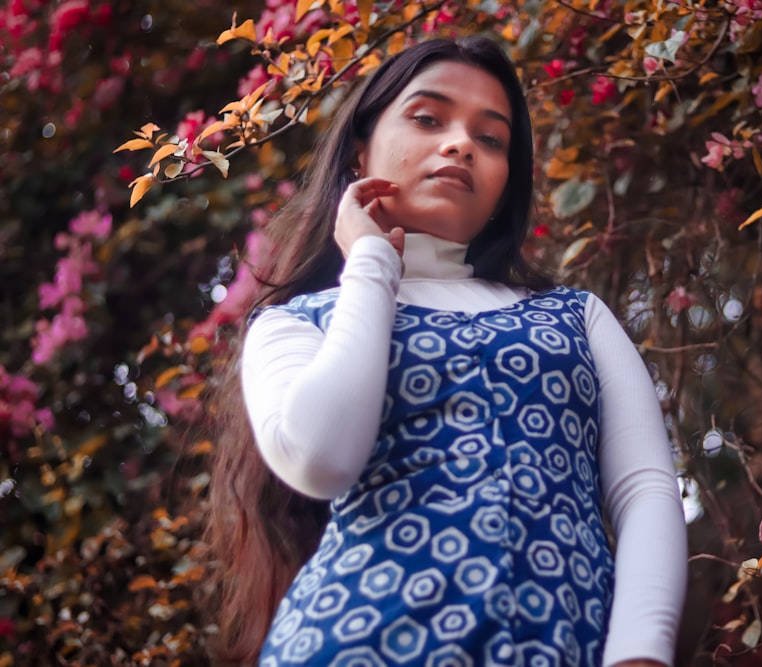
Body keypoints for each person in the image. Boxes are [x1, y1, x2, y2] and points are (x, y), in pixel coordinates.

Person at [206, 37, 686, 667]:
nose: (460, 143)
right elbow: (321, 459)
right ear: (360, 149)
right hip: (351, 643)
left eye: (491, 139)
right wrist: (373, 260)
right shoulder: (295, 324)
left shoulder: (575, 317)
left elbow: (646, 489)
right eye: (428, 119)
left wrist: (641, 651)